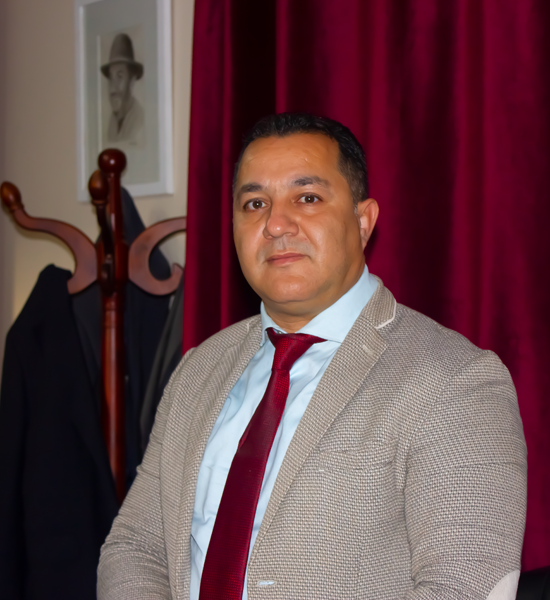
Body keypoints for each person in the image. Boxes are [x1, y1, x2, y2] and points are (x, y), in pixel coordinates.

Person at [97, 113, 527, 600]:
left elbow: (464, 585)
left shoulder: (457, 381)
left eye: (307, 198)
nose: (276, 224)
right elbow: (135, 545)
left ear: (363, 222)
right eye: (255, 203)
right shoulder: (199, 369)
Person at [101, 33, 144, 144]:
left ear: (132, 82)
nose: (113, 86)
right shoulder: (111, 122)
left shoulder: (140, 123)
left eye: (120, 76)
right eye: (111, 78)